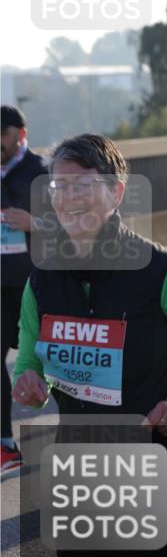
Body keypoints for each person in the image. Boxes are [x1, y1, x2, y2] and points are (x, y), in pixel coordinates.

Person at [12, 133, 167, 557]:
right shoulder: (43, 279)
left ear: (115, 192)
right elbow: (29, 360)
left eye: (82, 185)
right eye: (59, 187)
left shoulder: (163, 271)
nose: (68, 198)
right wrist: (30, 383)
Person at [1, 105, 46, 472]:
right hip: (1, 284)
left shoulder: (42, 172)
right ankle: (5, 444)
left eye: (3, 133)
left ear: (21, 133)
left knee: (58, 363)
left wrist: (35, 223)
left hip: (39, 284)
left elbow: (71, 223)